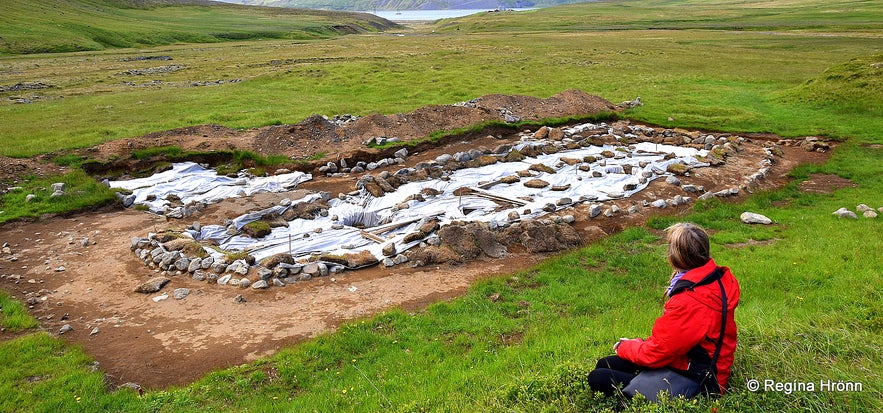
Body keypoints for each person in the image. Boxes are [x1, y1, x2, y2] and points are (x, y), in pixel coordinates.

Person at [588, 223, 740, 401]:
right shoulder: (713, 279)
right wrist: (637, 345)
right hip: (698, 362)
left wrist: (626, 346)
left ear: (676, 257)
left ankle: (635, 402)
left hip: (702, 382)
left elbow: (657, 353)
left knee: (598, 377)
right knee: (605, 364)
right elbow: (674, 341)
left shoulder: (690, 300)